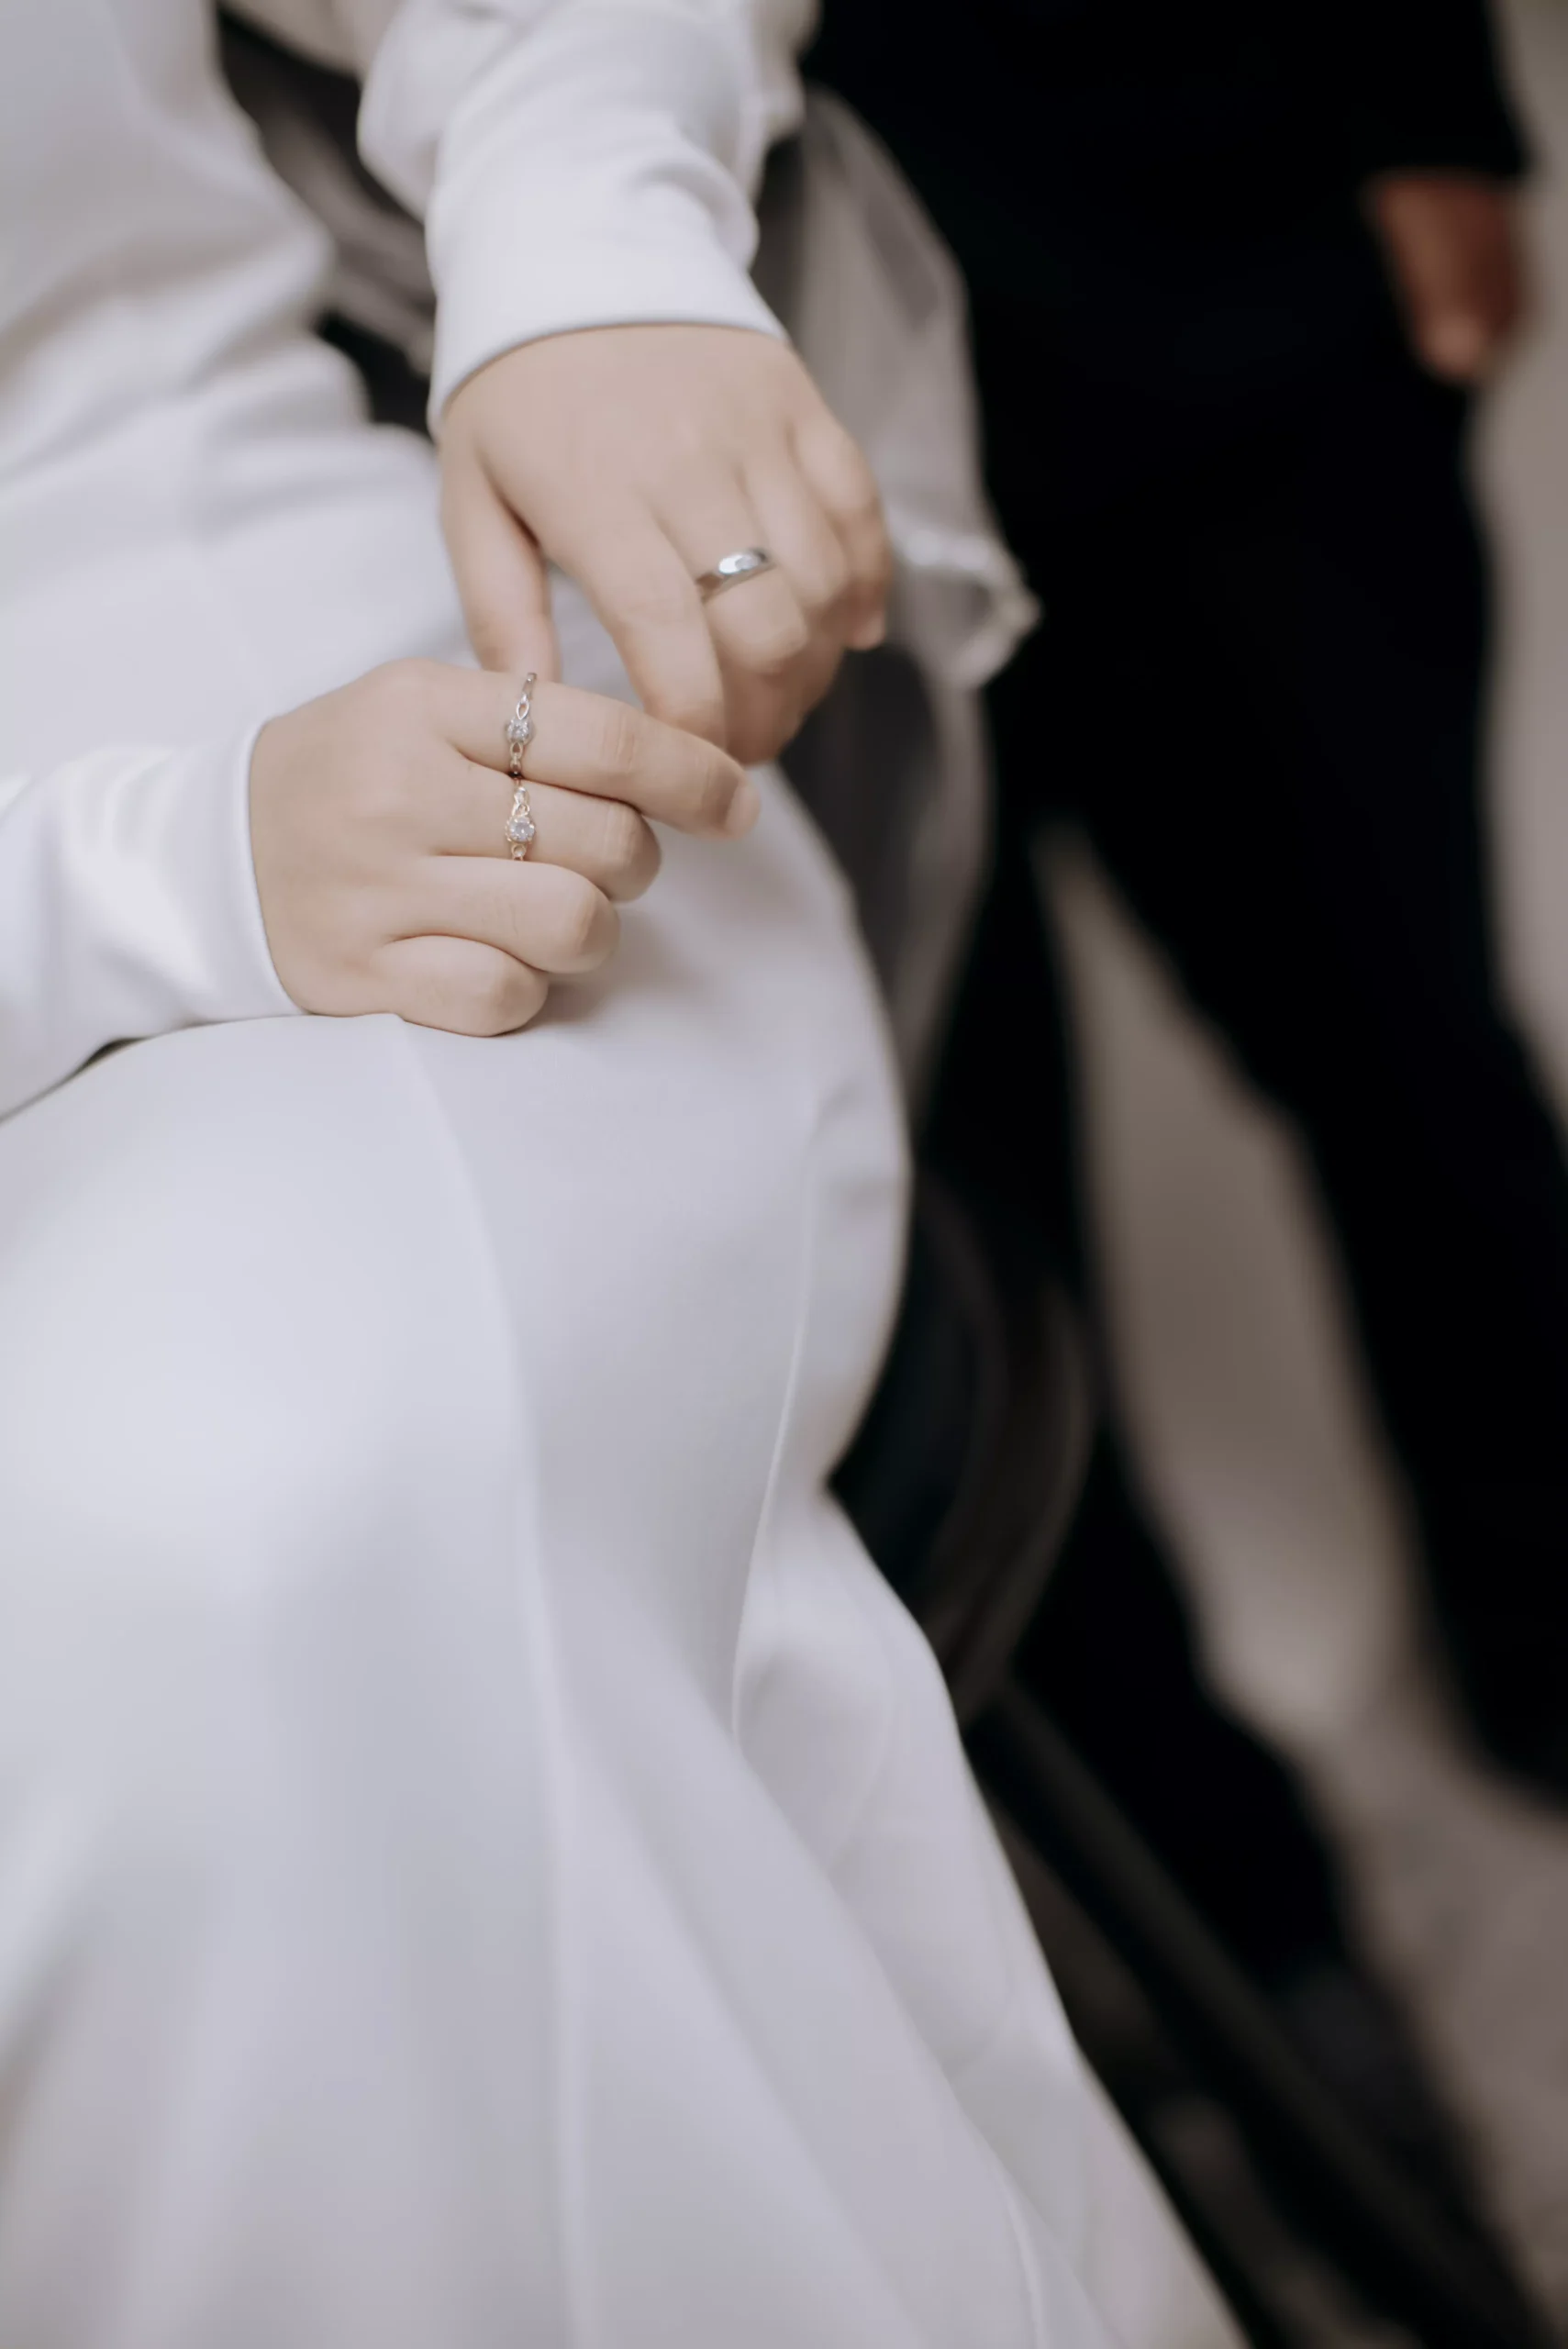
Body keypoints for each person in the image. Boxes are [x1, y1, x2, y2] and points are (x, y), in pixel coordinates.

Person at [0, 1, 1241, 2340]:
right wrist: (142, 877)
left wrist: (584, 235)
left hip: (276, 670)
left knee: (231, 1551)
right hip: (184, 848)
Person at [810, 0, 1568, 1907]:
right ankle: (1244, 1944)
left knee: (1417, 1058)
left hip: (1194, 230)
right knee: (948, 1255)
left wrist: (1423, 99)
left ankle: (1547, 1648)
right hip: (730, 505)